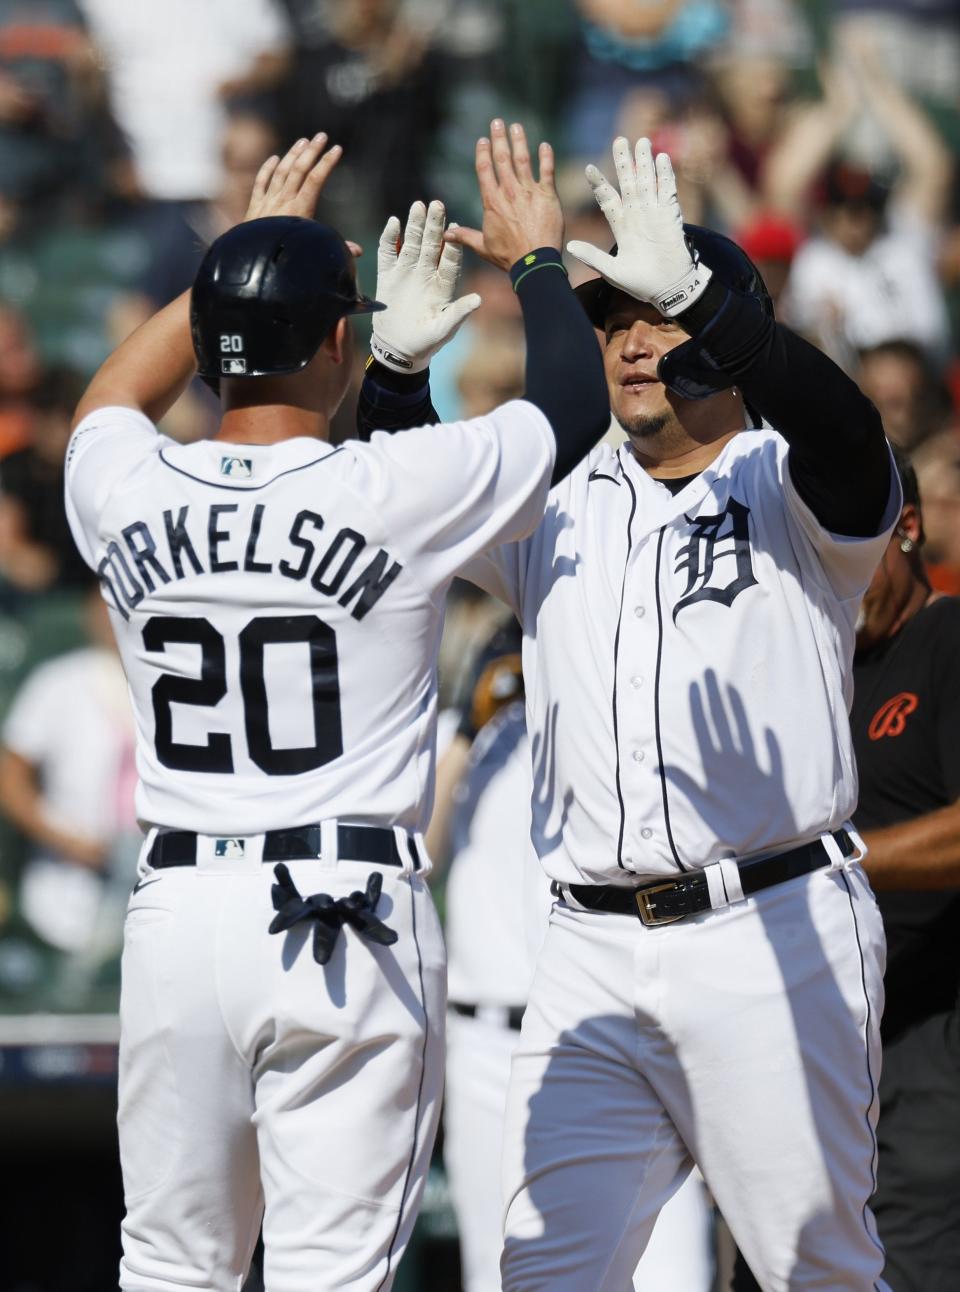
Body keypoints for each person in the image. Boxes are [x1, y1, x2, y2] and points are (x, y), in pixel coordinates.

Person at [62, 126, 609, 1291]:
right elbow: (571, 411)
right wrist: (541, 260)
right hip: (341, 913)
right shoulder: (389, 487)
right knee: (333, 1273)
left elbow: (115, 390)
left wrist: (227, 270)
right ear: (340, 340)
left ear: (211, 347)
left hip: (177, 910)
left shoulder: (123, 480)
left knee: (167, 1264)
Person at [360, 132, 901, 1290]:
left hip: (772, 926)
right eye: (612, 322)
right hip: (590, 946)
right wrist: (395, 383)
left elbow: (854, 432)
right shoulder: (557, 502)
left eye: (657, 312)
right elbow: (409, 493)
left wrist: (715, 302)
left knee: (822, 1270)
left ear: (723, 326)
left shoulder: (787, 482)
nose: (634, 341)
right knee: (547, 1270)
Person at [432, 620, 715, 1292]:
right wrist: (472, 727)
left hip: (625, 1025)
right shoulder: (467, 738)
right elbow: (415, 853)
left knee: (670, 1272)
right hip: (488, 1045)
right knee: (500, 1273)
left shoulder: (633, 724)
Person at [733, 455, 960, 1290]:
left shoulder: (947, 639)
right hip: (806, 1042)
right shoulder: (809, 672)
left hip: (927, 1043)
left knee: (909, 1263)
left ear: (909, 530)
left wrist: (830, 863)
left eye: (860, 546)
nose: (844, 574)